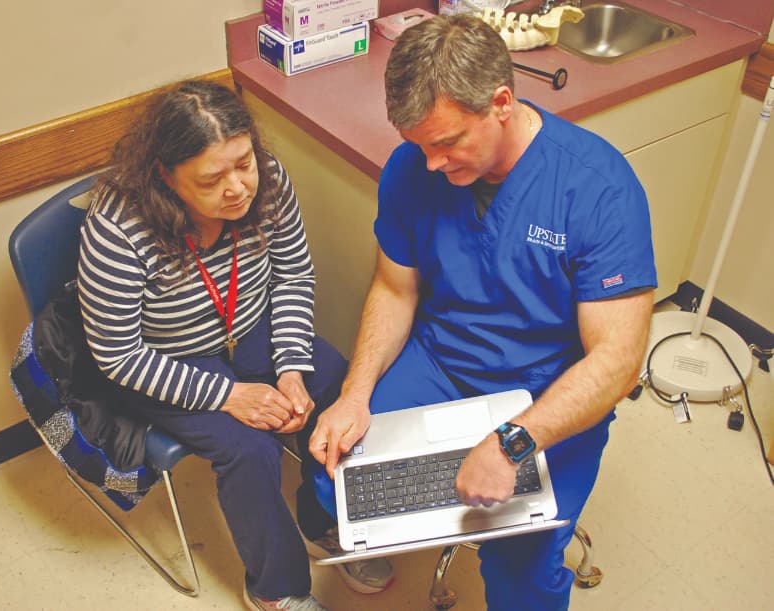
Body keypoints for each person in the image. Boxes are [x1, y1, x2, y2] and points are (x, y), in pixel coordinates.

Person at [309, 14, 657, 610]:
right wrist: (355, 393)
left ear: (501, 102)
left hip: (545, 389)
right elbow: (395, 289)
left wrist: (513, 443)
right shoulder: (410, 171)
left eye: (446, 143)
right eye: (419, 146)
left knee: (521, 569)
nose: (431, 165)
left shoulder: (597, 189)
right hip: (443, 363)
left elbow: (619, 361)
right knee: (334, 479)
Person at [76, 80, 392, 611]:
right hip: (162, 360)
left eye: (243, 162)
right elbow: (117, 355)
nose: (238, 189)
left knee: (335, 380)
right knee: (249, 448)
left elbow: (292, 275)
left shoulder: (265, 180)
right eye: (212, 178)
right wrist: (228, 396)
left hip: (251, 330)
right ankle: (276, 588)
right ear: (165, 176)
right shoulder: (117, 228)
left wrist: (290, 366)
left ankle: (322, 522)